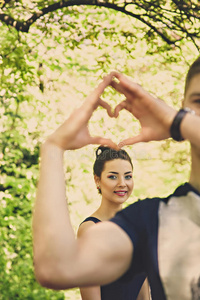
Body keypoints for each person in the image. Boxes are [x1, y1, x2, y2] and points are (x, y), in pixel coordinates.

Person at [33, 56, 200, 300]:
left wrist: (178, 122)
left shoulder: (179, 120)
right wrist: (53, 147)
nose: (122, 183)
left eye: (127, 176)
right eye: (198, 101)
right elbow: (55, 267)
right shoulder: (153, 220)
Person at [77, 145, 150, 300]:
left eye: (128, 176)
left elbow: (143, 293)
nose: (122, 183)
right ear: (97, 180)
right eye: (113, 176)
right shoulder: (90, 230)